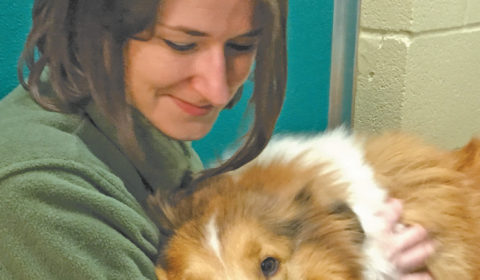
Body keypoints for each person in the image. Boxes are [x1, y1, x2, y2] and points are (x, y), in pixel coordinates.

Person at [0, 0, 434, 279]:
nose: (217, 89)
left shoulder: (137, 120)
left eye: (241, 46)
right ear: (96, 26)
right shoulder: (40, 190)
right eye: (182, 45)